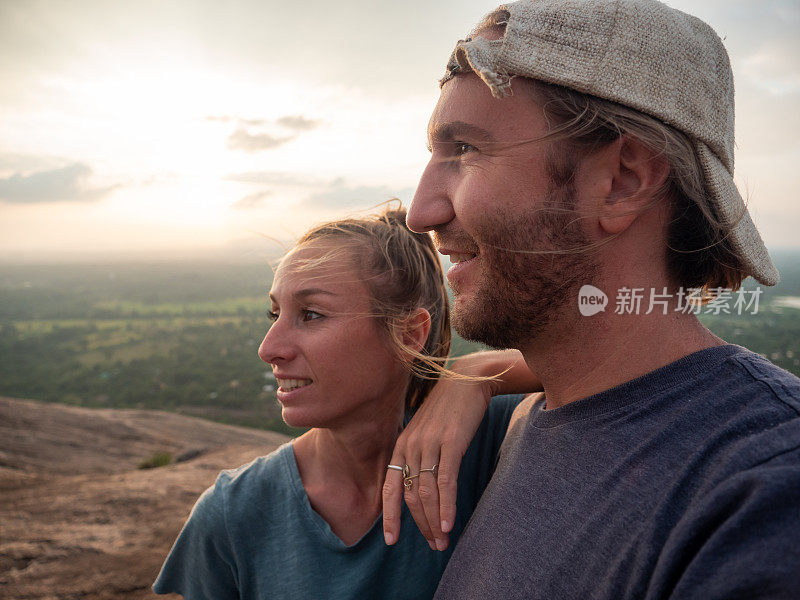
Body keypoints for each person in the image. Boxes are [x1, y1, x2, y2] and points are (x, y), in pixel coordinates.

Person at [382, 1, 800, 598]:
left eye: (466, 150)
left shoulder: (764, 488)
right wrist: (472, 376)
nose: (422, 211)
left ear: (623, 182)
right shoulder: (536, 416)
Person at [152, 205, 538, 599]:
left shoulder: (488, 438)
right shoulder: (236, 512)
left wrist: (478, 375)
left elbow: (599, 363)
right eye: (275, 313)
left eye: (312, 314)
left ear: (408, 334)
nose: (269, 349)